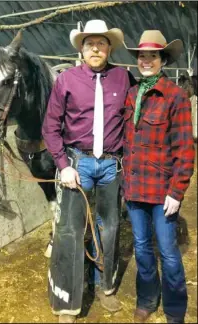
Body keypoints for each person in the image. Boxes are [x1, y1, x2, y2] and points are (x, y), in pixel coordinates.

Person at [42, 19, 136, 323]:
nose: (95, 48)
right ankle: (66, 303)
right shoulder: (66, 80)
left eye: (101, 43)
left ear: (109, 48)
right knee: (69, 231)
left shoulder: (123, 78)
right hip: (77, 163)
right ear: (81, 49)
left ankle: (104, 289)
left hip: (111, 164)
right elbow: (51, 127)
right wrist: (62, 165)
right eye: (89, 44)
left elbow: (133, 118)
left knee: (109, 228)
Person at [122, 30, 195, 323]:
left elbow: (185, 150)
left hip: (162, 190)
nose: (146, 60)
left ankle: (175, 309)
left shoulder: (175, 97)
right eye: (142, 55)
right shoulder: (131, 94)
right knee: (141, 249)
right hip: (135, 188)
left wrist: (177, 192)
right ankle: (147, 299)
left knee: (168, 251)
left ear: (163, 59)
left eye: (153, 55)